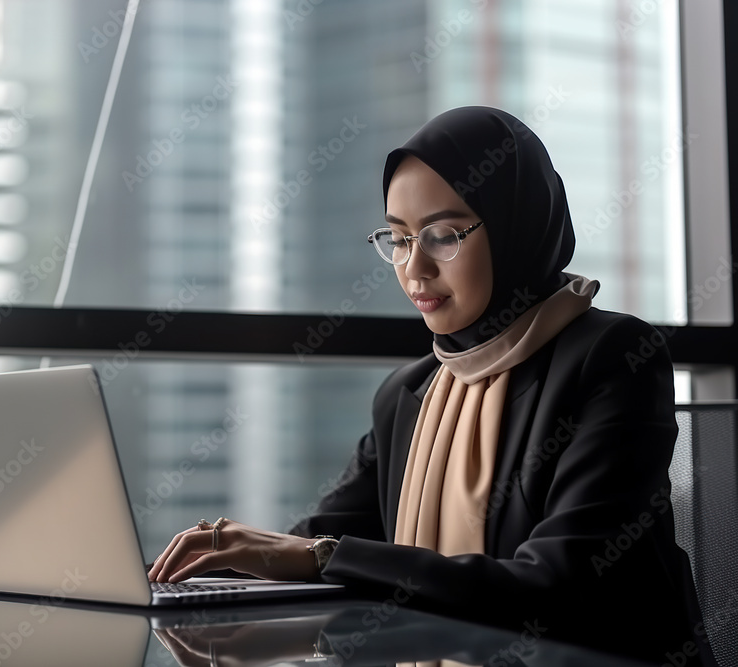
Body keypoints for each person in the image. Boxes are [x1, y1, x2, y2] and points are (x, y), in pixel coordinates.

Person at [147, 106, 715, 666]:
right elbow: (315, 541)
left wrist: (317, 556)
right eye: (397, 239)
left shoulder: (613, 357)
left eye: (443, 236)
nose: (414, 268)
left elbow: (556, 589)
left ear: (517, 223)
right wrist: (189, 565)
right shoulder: (409, 394)